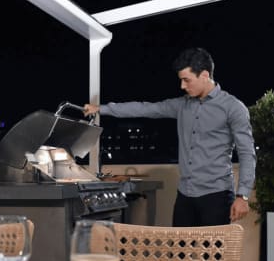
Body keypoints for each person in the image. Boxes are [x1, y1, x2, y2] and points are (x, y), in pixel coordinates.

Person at [84, 47, 256, 226]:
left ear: (205, 75)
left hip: (217, 196)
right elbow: (145, 108)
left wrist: (242, 196)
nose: (182, 86)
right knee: (179, 245)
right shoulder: (181, 105)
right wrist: (101, 109)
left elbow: (247, 154)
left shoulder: (233, 108)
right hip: (185, 195)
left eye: (187, 80)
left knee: (214, 246)